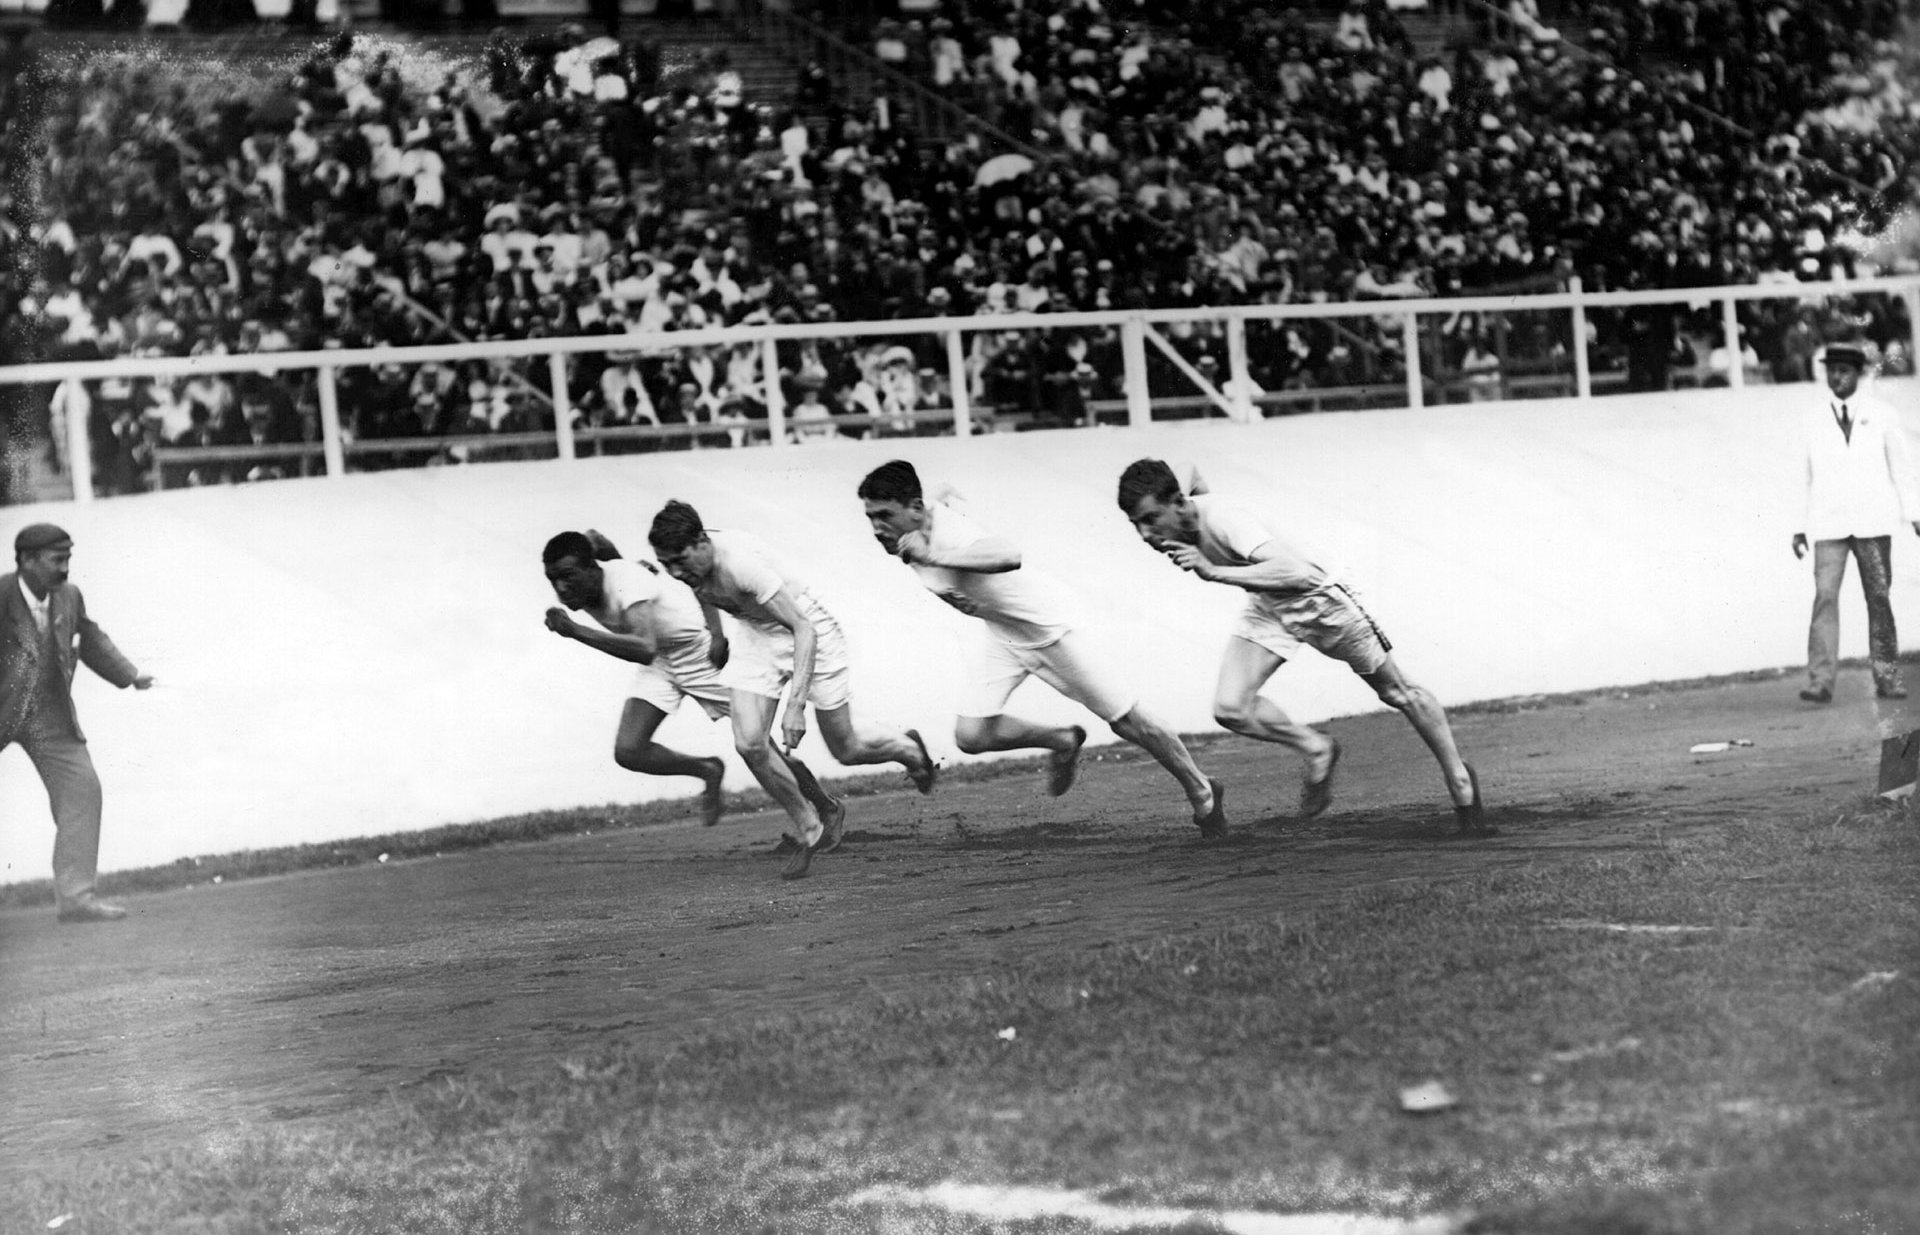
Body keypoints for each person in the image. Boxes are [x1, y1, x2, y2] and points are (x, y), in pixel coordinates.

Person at [1116, 459, 1493, 836]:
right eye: (1136, 524)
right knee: (1231, 709)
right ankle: (1317, 748)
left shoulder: (1229, 520)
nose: (1145, 534)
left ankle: (1459, 778)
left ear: (1179, 503)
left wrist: (1213, 571)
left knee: (1396, 691)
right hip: (1269, 604)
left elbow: (1297, 572)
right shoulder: (1186, 509)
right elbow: (1190, 469)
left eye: (1150, 519)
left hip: (1322, 600)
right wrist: (1195, 490)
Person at [858, 461, 1229, 837]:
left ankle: (1203, 791)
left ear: (915, 509)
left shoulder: (950, 537)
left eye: (885, 515)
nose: (877, 528)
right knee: (971, 736)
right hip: (1003, 633)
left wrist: (934, 556)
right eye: (871, 517)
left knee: (1128, 720)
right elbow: (936, 495)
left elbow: (1008, 555)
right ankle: (1063, 740)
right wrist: (942, 493)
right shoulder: (914, 524)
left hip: (1049, 630)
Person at [647, 500, 938, 879]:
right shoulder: (693, 567)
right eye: (665, 563)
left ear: (702, 541)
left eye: (679, 560)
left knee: (846, 749)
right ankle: (811, 827)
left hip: (804, 625)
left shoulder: (741, 565)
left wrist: (795, 705)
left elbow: (803, 629)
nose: (674, 572)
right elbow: (701, 586)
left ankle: (910, 751)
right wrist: (716, 634)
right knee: (749, 742)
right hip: (757, 634)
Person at [541, 528, 843, 833]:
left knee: (759, 746)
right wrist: (614, 555)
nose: (562, 588)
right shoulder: (608, 573)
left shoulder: (627, 584)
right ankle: (707, 769)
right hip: (661, 661)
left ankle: (825, 807)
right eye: (553, 580)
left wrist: (575, 630)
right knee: (629, 750)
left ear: (592, 568)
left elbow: (643, 648)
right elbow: (596, 540)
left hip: (694, 653)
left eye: (568, 576)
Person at [0, 523, 154, 922]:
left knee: (82, 790)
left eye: (68, 559)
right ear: (27, 561)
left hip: (49, 716)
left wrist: (129, 673)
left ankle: (76, 899)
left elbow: (89, 637)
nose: (65, 568)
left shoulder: (68, 596)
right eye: (57, 560)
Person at [1792, 343, 1920, 704]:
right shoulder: (1813, 418)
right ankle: (1820, 681)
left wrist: (1914, 513)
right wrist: (1798, 526)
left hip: (1873, 521)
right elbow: (1801, 475)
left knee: (1879, 599)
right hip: (1829, 523)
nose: (1836, 377)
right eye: (1831, 370)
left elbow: (1902, 468)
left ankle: (1888, 677)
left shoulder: (1882, 413)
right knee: (1825, 597)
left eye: (1843, 371)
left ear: (1858, 374)